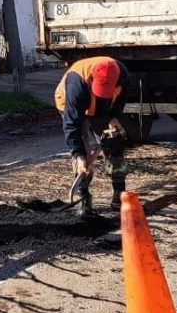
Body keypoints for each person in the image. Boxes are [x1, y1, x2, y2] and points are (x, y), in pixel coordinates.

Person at [54, 56, 131, 217]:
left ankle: (119, 194)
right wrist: (79, 154)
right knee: (82, 156)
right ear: (92, 79)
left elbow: (120, 101)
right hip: (71, 106)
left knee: (114, 142)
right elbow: (71, 124)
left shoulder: (123, 75)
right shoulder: (77, 84)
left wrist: (115, 118)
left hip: (101, 110)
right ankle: (84, 197)